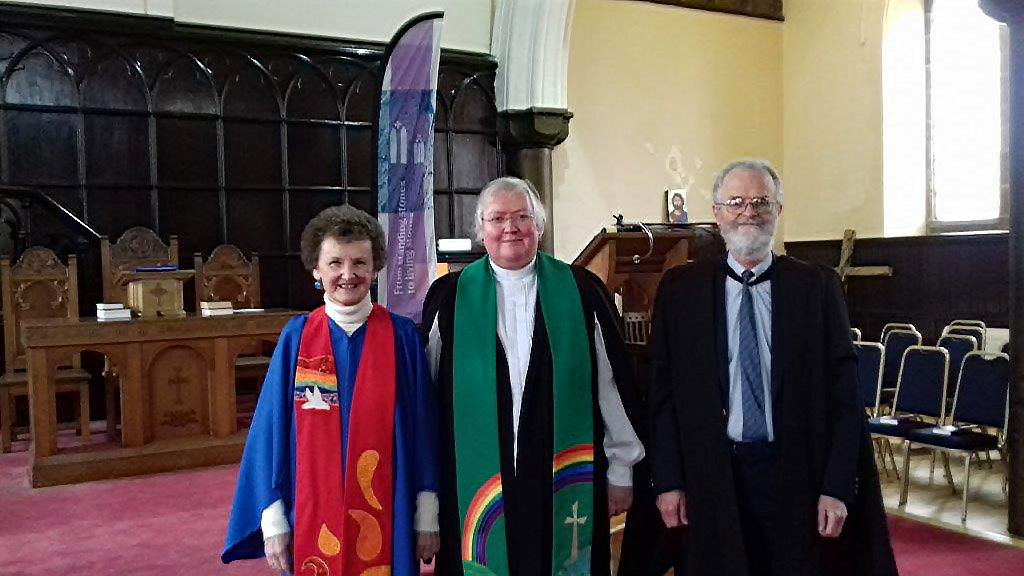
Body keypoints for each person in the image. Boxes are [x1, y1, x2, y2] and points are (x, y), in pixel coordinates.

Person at [648, 160, 897, 576]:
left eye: (762, 202)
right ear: (716, 213)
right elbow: (662, 396)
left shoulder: (816, 288)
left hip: (796, 474)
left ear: (779, 211)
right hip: (711, 474)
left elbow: (845, 396)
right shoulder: (680, 292)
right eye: (737, 202)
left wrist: (837, 487)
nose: (749, 212)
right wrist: (668, 480)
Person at [421, 176, 645, 576]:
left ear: (539, 226)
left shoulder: (581, 291)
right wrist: (427, 494)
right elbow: (426, 396)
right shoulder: (451, 298)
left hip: (560, 473)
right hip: (473, 481)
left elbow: (612, 385)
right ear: (481, 230)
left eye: (523, 217)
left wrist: (622, 466)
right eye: (497, 219)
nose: (510, 228)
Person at [223, 205, 439, 575]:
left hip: (391, 512)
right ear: (316, 269)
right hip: (310, 515)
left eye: (360, 263)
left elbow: (423, 430)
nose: (348, 274)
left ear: (375, 269)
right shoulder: (298, 338)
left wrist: (428, 513)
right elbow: (268, 435)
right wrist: (273, 519)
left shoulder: (401, 337)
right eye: (335, 262)